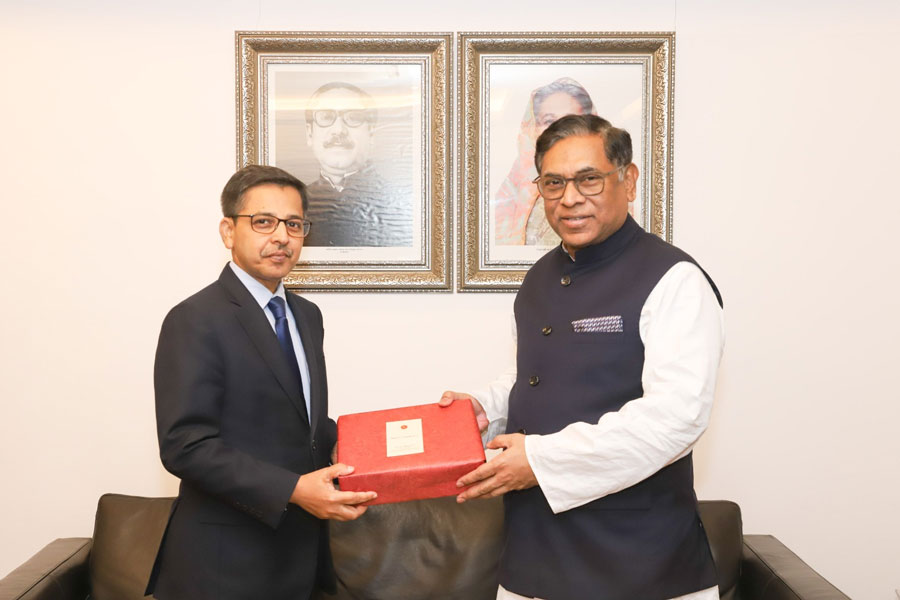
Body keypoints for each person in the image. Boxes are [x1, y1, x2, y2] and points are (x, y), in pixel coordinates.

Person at [441, 114, 725, 600]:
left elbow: (676, 417)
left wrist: (540, 459)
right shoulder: (538, 278)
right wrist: (487, 409)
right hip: (533, 554)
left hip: (637, 563)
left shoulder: (675, 279)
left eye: (588, 179)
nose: (569, 198)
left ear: (628, 181)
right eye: (553, 183)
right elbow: (536, 375)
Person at [146, 165, 377, 600]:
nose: (282, 237)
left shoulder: (306, 315)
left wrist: (373, 445)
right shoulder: (194, 319)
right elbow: (184, 445)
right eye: (264, 222)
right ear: (228, 231)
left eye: (294, 224)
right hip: (223, 565)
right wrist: (293, 489)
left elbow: (301, 423)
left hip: (299, 556)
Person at [303, 81, 413, 247]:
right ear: (309, 134)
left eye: (353, 117)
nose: (338, 130)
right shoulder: (291, 205)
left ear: (371, 133)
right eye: (326, 117)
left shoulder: (401, 207)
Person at [493, 77, 595, 246]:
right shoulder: (514, 188)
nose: (559, 129)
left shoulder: (608, 188)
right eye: (548, 121)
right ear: (534, 128)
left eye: (570, 120)